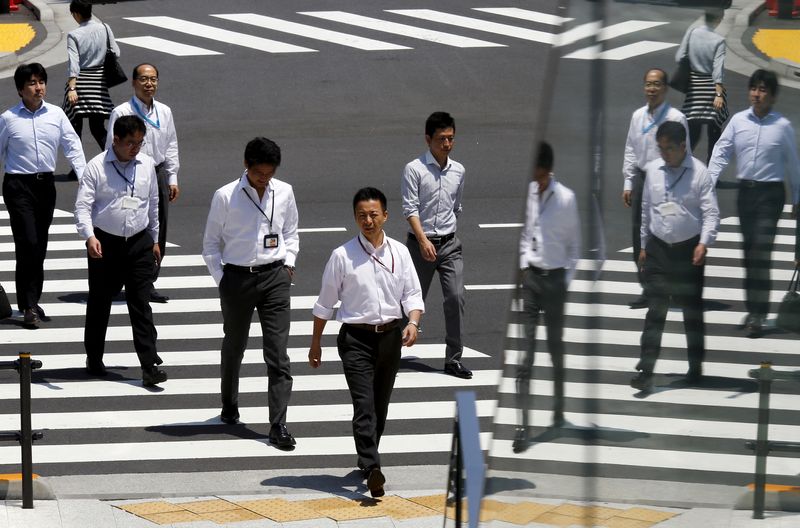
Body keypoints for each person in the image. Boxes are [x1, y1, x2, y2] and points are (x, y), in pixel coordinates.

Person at [308, 187, 424, 498]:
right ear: (355, 218)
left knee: (380, 407)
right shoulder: (342, 256)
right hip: (355, 339)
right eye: (362, 216)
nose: (368, 220)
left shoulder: (400, 253)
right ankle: (373, 467)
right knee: (364, 405)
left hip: (390, 337)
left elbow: (412, 295)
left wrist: (412, 322)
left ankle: (366, 457)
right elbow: (325, 304)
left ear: (385, 215)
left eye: (374, 214)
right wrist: (315, 342)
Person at [202, 137, 299, 449]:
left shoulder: (284, 192)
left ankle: (278, 424)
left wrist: (289, 265)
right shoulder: (225, 196)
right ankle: (229, 403)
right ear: (247, 166)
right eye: (259, 174)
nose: (264, 179)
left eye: (269, 174)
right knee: (234, 347)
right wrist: (223, 280)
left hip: (275, 278)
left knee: (278, 353)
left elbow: (291, 232)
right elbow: (210, 245)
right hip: (237, 279)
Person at [75, 115, 167, 386]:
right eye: (130, 143)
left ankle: (149, 364)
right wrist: (89, 236)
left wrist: (155, 238)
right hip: (105, 242)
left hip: (139, 242)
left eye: (139, 143)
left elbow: (153, 203)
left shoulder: (147, 164)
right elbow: (82, 206)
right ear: (115, 140)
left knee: (140, 303)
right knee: (100, 302)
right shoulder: (96, 167)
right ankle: (94, 356)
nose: (135, 148)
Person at [707, 69, 800, 337]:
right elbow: (722, 150)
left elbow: (793, 165)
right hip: (746, 194)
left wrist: (797, 199)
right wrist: (710, 180)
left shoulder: (781, 126)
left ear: (772, 96)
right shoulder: (738, 121)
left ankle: (759, 313)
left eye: (763, 90)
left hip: (770, 196)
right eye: (754, 89)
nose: (756, 94)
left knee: (761, 253)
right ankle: (753, 308)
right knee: (749, 256)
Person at [631, 121, 719, 392]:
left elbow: (711, 213)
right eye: (660, 148)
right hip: (658, 250)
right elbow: (646, 208)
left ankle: (695, 366)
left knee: (691, 312)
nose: (664, 154)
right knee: (656, 310)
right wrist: (644, 245)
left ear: (683, 146)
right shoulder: (653, 171)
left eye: (669, 148)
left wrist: (704, 243)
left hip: (688, 251)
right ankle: (646, 370)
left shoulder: (700, 174)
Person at [0, 63, 86, 329]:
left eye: (41, 82)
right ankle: (27, 305)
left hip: (45, 186)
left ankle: (32, 300)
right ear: (20, 89)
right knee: (28, 242)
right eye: (32, 83)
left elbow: (72, 146)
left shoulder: (57, 114)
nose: (38, 88)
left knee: (39, 247)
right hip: (18, 186)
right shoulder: (8, 118)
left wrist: (85, 179)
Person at [513, 142, 581, 453]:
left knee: (555, 348)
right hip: (533, 281)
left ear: (549, 171)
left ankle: (558, 409)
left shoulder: (566, 199)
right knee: (525, 356)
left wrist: (564, 282)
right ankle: (522, 425)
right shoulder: (527, 194)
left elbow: (574, 248)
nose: (537, 182)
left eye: (541, 176)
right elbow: (525, 233)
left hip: (555, 282)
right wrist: (525, 265)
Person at [401, 111, 470, 379]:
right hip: (419, 246)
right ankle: (387, 354)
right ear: (428, 139)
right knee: (405, 302)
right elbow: (410, 209)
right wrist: (423, 239)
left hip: (450, 245)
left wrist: (445, 235)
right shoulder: (414, 169)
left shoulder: (459, 171)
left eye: (451, 139)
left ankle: (453, 360)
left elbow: (457, 207)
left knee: (455, 298)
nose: (447, 144)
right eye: (442, 139)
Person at [107, 63, 180, 303]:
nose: (149, 84)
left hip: (156, 173)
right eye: (144, 79)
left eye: (153, 79)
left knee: (158, 225)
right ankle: (119, 278)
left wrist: (172, 177)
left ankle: (147, 282)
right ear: (134, 82)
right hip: (130, 172)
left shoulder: (164, 112)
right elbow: (111, 147)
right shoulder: (122, 112)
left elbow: (171, 145)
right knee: (127, 225)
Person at [623, 68, 689, 309]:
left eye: (657, 84)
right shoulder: (637, 116)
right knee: (638, 235)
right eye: (648, 84)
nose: (652, 89)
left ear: (665, 88)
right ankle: (648, 289)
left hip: (667, 179)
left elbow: (685, 154)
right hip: (642, 179)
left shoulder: (676, 118)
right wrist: (628, 182)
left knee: (667, 234)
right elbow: (630, 149)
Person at [63, 0, 120, 155]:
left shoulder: (74, 35)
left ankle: (77, 168)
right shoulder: (105, 28)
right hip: (98, 84)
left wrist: (72, 88)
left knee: (75, 128)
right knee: (97, 128)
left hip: (80, 83)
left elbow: (73, 64)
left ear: (76, 14)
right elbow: (116, 52)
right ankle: (111, 157)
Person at [675, 9, 728, 164]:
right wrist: (718, 95)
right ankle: (711, 168)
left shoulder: (692, 33)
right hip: (711, 89)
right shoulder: (719, 40)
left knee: (693, 129)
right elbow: (718, 71)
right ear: (720, 18)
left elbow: (679, 57)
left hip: (695, 88)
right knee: (714, 131)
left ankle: (685, 162)